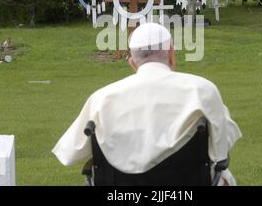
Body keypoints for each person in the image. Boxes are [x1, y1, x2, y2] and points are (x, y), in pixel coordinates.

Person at [52, 23, 242, 185]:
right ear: (171, 54)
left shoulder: (101, 98)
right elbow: (221, 148)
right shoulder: (202, 90)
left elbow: (70, 154)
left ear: (132, 62)